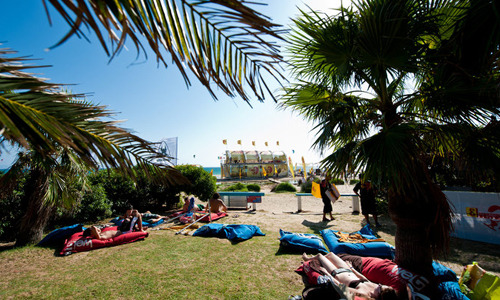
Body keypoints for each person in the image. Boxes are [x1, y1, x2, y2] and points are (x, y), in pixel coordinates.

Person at [302, 252, 398, 299]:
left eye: (381, 288)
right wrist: (351, 268)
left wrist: (328, 274)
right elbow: (363, 278)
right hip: (348, 270)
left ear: (381, 294)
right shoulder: (376, 286)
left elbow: (341, 287)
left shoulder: (366, 295)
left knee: (320, 256)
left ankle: (307, 259)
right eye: (381, 285)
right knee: (331, 254)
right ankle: (313, 259)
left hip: (337, 273)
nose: (380, 285)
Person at [337, 253, 434, 299]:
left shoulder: (429, 284)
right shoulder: (400, 291)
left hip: (369, 264)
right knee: (338, 257)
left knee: (337, 257)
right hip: (367, 265)